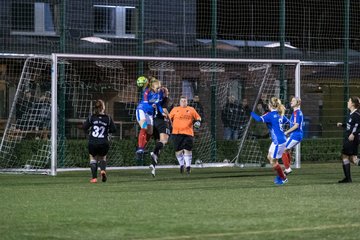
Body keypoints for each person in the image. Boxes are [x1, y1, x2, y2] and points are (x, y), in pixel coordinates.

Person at [251, 97, 288, 185]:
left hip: (278, 141)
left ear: (270, 105)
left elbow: (259, 119)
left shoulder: (270, 114)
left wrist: (250, 112)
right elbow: (288, 122)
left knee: (273, 162)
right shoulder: (280, 114)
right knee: (269, 157)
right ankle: (282, 174)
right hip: (278, 140)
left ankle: (283, 177)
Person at [83, 99, 116, 183]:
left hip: (93, 142)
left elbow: (84, 127)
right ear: (103, 107)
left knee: (92, 158)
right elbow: (114, 129)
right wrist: (107, 131)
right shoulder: (108, 118)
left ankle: (94, 178)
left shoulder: (91, 117)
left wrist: (89, 131)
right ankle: (102, 171)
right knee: (103, 157)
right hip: (103, 142)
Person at [169, 96, 201, 174]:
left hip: (188, 133)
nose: (183, 102)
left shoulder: (191, 109)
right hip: (176, 133)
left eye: (185, 101)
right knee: (178, 151)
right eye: (182, 101)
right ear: (179, 102)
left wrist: (198, 122)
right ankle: (181, 165)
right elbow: (168, 118)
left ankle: (188, 167)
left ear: (187, 102)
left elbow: (198, 118)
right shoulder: (175, 109)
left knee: (187, 150)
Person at [135, 77, 165, 163]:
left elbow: (158, 104)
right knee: (144, 127)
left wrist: (162, 112)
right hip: (142, 110)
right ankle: (140, 148)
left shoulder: (160, 93)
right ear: (152, 87)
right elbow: (146, 102)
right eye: (157, 87)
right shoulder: (147, 91)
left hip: (150, 114)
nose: (159, 89)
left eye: (159, 87)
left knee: (150, 132)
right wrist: (153, 105)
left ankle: (142, 148)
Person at [336, 96, 360, 183]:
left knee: (344, 156)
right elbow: (350, 125)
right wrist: (342, 125)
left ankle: (348, 178)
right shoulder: (351, 114)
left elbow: (357, 125)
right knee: (353, 159)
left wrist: (353, 134)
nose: (347, 102)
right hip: (351, 138)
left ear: (353, 104)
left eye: (349, 101)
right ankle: (348, 178)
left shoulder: (356, 114)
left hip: (352, 139)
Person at [149, 85, 171, 177]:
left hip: (154, 122)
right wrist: (170, 120)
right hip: (162, 122)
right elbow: (165, 110)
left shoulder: (153, 99)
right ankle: (153, 153)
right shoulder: (165, 99)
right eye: (167, 91)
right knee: (164, 141)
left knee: (158, 144)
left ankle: (153, 166)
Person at [281, 97, 304, 176]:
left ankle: (287, 169)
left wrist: (286, 132)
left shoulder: (296, 113)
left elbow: (296, 125)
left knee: (283, 150)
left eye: (293, 101)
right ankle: (288, 168)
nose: (291, 102)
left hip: (295, 135)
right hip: (296, 135)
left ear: (297, 103)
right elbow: (291, 122)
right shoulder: (296, 112)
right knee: (286, 150)